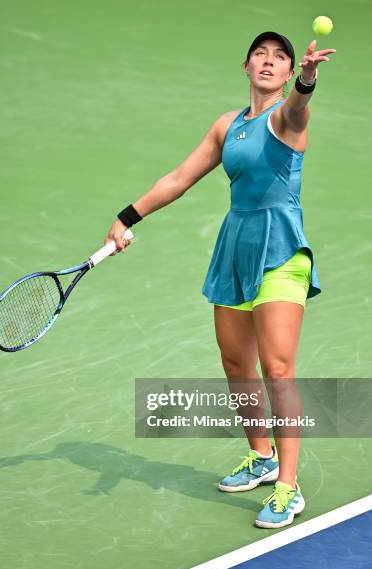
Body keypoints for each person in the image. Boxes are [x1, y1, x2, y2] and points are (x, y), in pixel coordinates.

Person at [104, 32, 336, 528]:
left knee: (278, 370)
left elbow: (297, 110)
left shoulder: (287, 117)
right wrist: (128, 216)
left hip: (280, 251)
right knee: (236, 364)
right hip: (235, 249)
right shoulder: (227, 126)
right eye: (261, 55)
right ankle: (261, 454)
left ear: (290, 71)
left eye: (281, 59)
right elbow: (179, 178)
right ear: (246, 65)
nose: (269, 62)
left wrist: (309, 80)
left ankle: (287, 488)